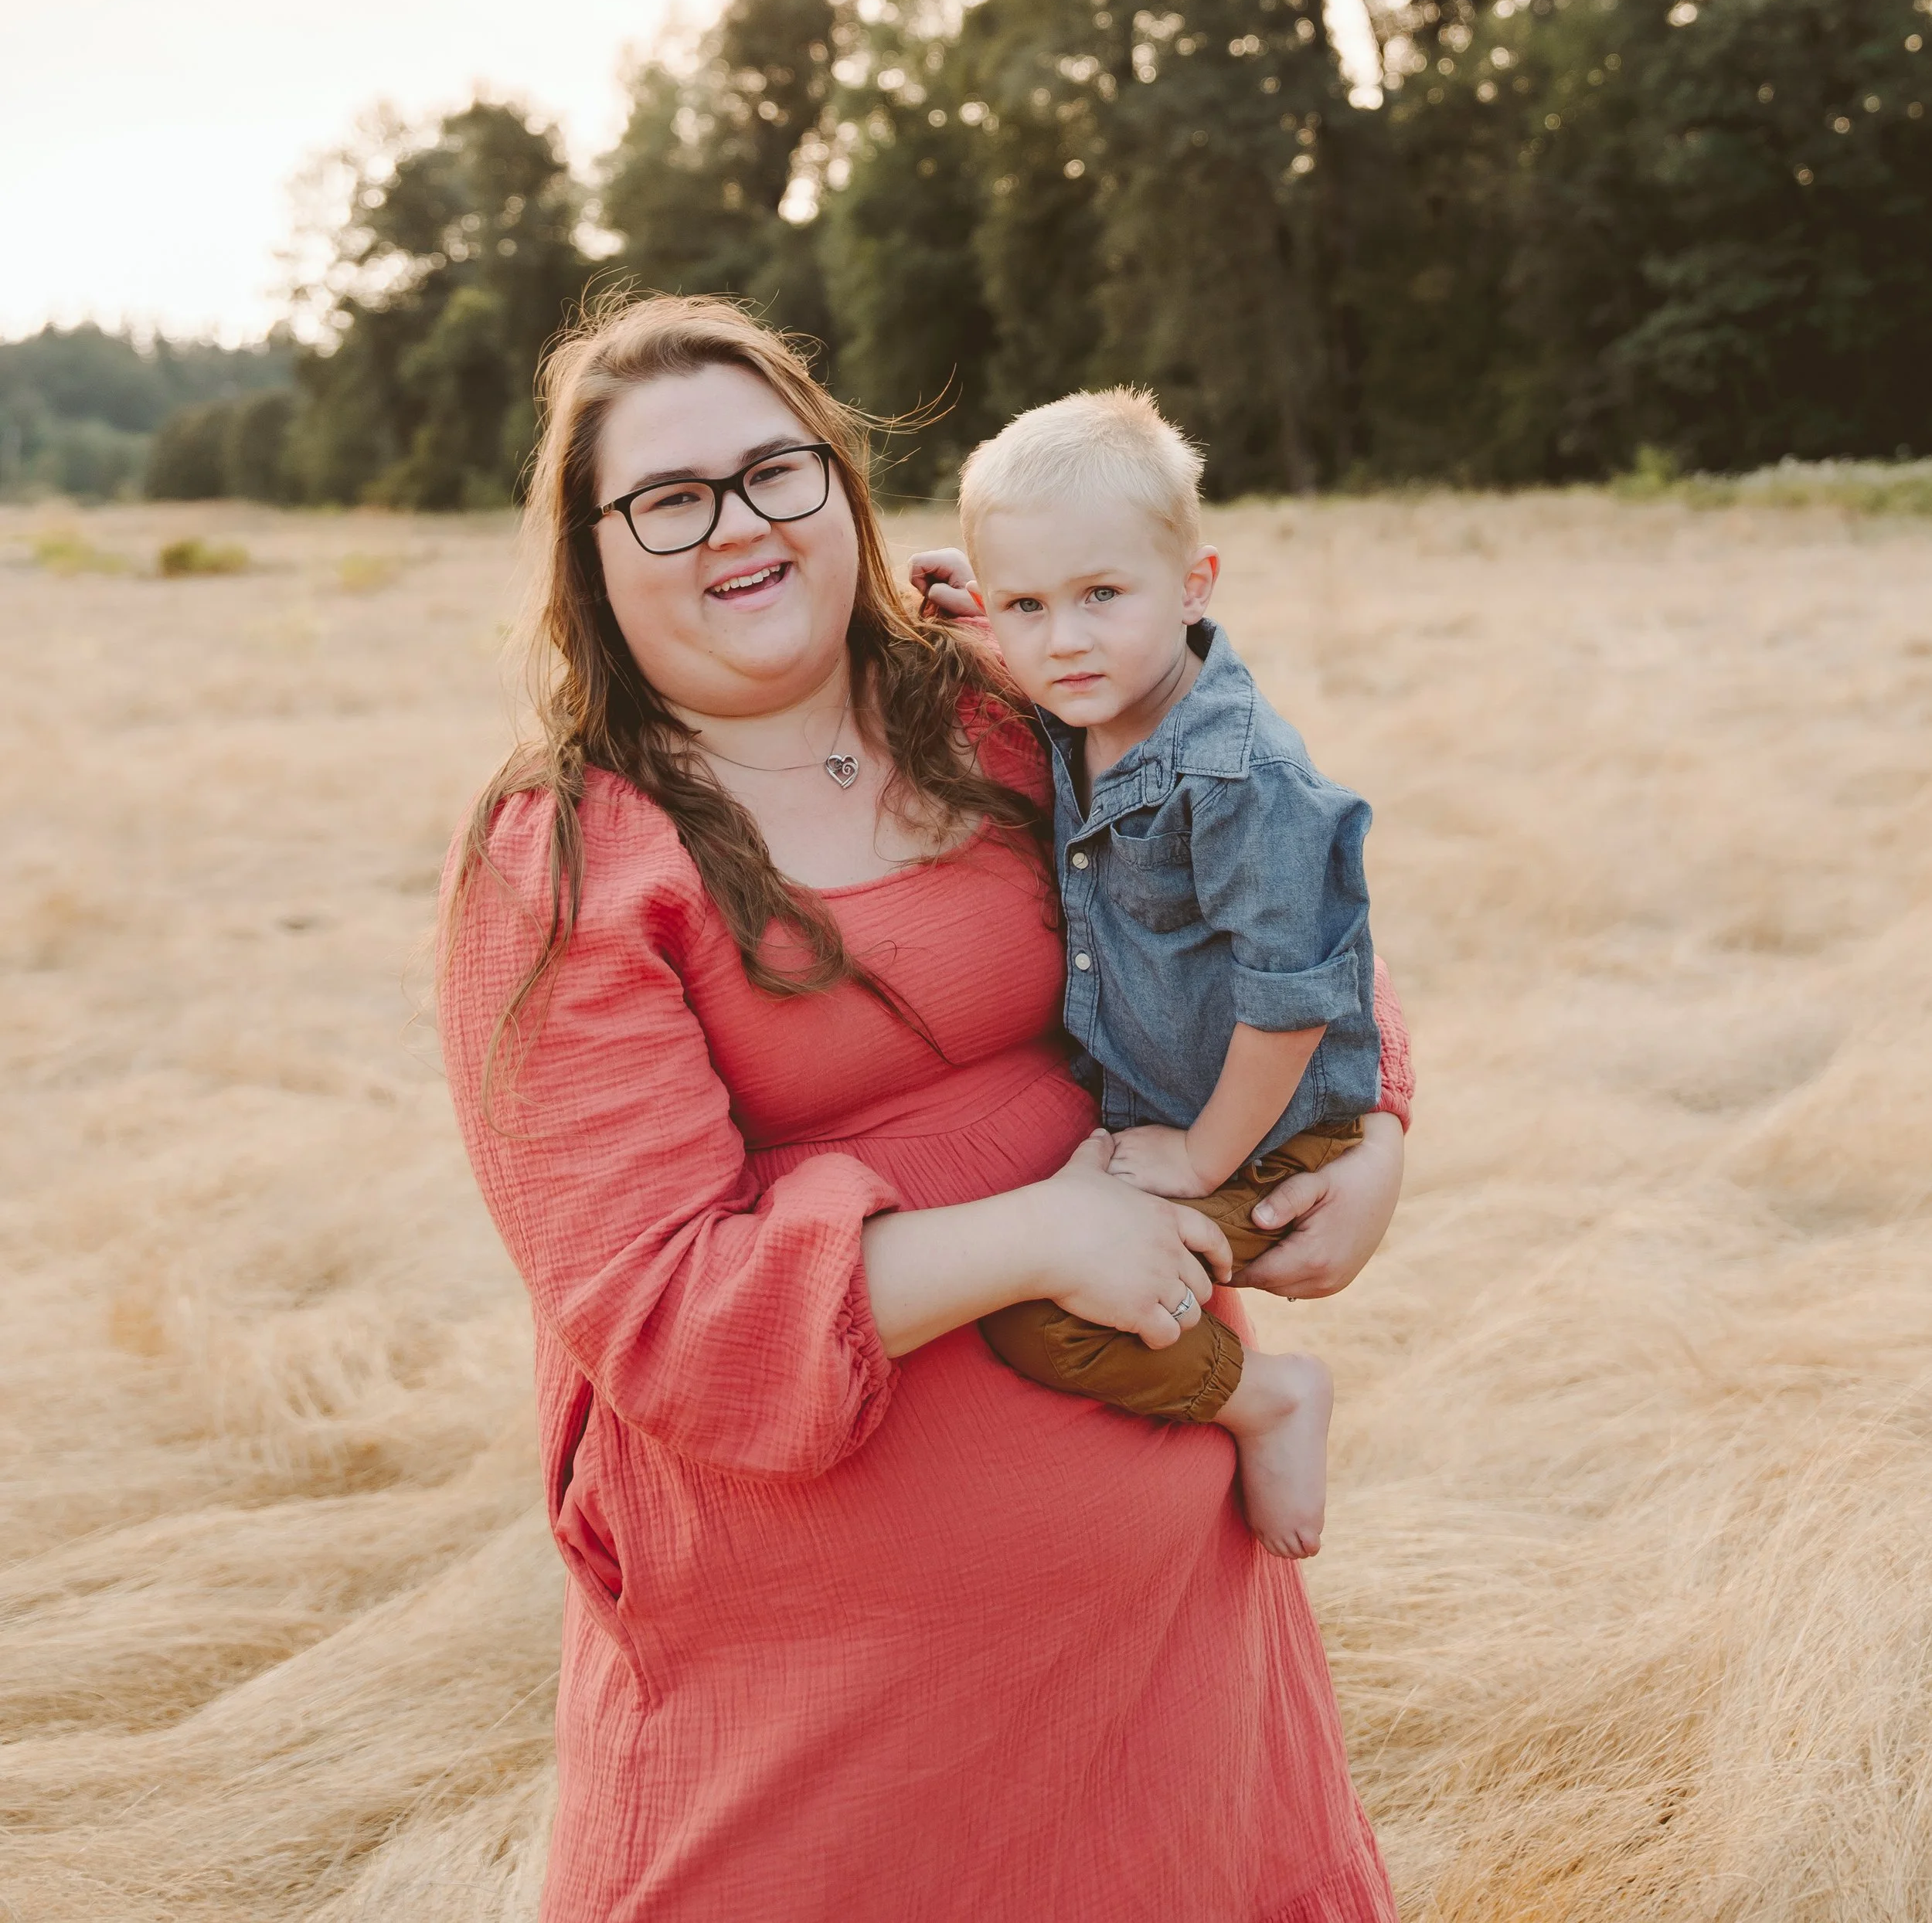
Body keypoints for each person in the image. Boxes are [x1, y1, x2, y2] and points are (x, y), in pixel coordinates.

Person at [438, 293, 1413, 1923]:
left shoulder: (994, 704)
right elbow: (664, 1309)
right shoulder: (567, 861)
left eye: (777, 471)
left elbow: (1266, 894)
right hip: (826, 1726)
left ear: (845, 484)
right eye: (669, 498)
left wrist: (1374, 1117)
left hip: (1172, 1644)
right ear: (589, 556)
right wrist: (1041, 1233)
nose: (737, 526)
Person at [913, 387, 1377, 1560]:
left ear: (1195, 586)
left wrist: (1202, 1157)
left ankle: (1268, 1396)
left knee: (1043, 1319)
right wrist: (981, 617)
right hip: (1175, 1104)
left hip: (1258, 1126)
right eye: (1030, 604)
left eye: (1100, 595)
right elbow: (1052, 655)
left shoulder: (1235, 780)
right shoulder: (1097, 689)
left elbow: (1287, 998)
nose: (1064, 639)